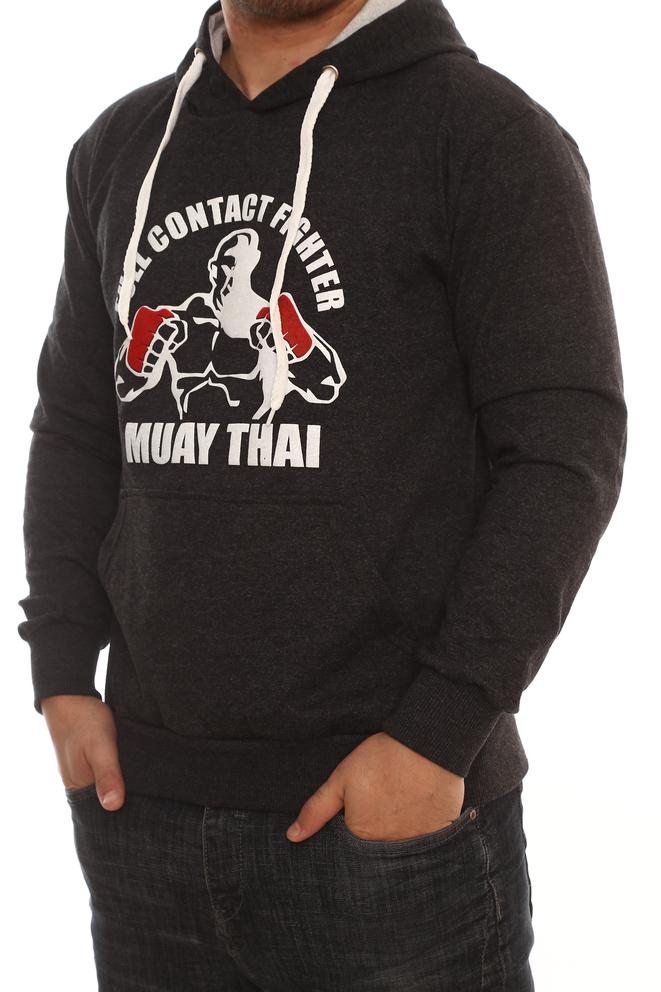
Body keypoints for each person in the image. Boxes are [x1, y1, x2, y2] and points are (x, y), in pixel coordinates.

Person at [17, 0, 627, 988]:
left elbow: (565, 450)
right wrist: (59, 672)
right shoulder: (120, 146)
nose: (234, 267)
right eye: (228, 262)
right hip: (144, 815)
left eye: (241, 262)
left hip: (392, 834)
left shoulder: (485, 135)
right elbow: (79, 427)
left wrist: (435, 735)